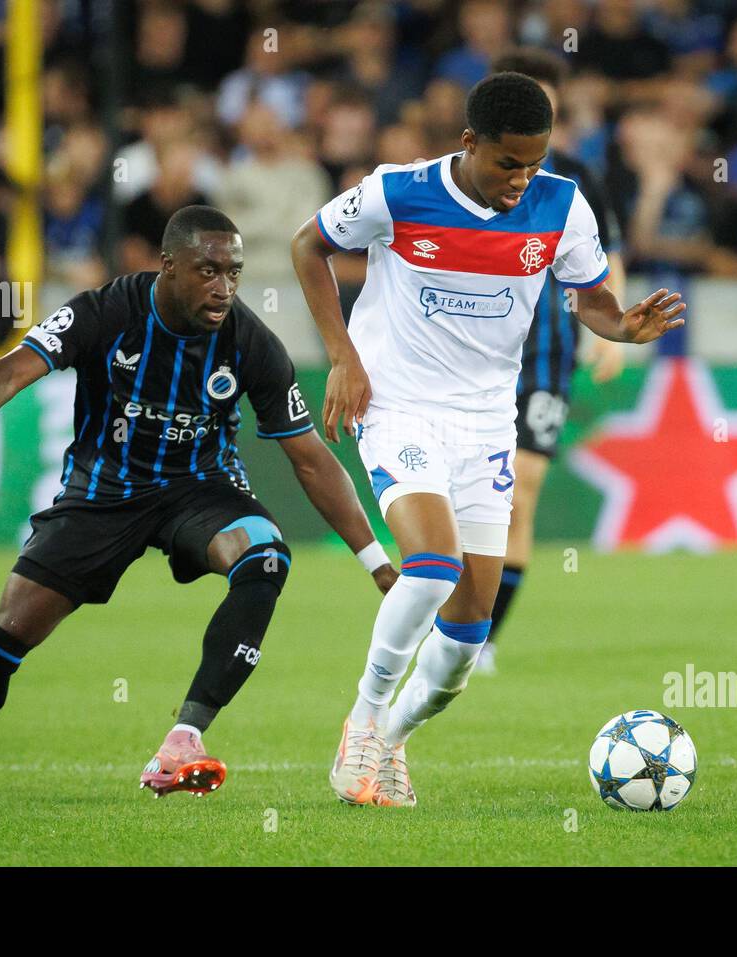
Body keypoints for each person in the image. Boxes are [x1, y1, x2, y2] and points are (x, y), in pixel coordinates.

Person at [0, 205, 397, 799]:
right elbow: (18, 366)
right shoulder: (106, 310)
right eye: (208, 271)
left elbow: (310, 458)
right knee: (9, 632)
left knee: (265, 556)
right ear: (167, 266)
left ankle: (184, 737)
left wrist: (378, 563)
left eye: (233, 273)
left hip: (200, 489)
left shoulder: (251, 342)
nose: (224, 287)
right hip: (103, 492)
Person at [290, 72, 685, 808]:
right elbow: (307, 247)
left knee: (465, 641)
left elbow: (592, 298)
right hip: (399, 405)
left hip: (485, 422)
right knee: (433, 567)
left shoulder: (561, 205)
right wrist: (343, 356)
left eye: (533, 163)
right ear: (469, 142)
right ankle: (364, 720)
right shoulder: (397, 192)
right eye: (508, 162)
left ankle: (397, 740)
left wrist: (623, 326)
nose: (520, 178)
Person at [477, 49, 627, 676]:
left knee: (521, 492)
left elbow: (607, 255)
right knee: (469, 499)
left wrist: (612, 332)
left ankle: (480, 638)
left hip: (547, 351)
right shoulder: (468, 174)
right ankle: (447, 612)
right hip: (474, 353)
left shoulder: (576, 180)